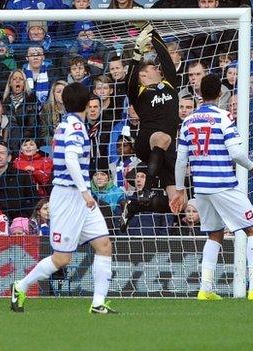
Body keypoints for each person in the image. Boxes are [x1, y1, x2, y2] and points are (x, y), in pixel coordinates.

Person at [171, 74, 253, 301]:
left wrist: (180, 189)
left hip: (200, 187)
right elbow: (237, 153)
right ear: (220, 94)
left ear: (200, 93)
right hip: (223, 184)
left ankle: (206, 289)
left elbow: (181, 160)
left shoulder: (188, 121)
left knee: (215, 234)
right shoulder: (224, 117)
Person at [11, 82, 116, 314]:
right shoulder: (76, 127)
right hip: (70, 196)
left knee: (104, 245)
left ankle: (98, 303)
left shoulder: (66, 124)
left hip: (76, 196)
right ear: (87, 103)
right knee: (62, 258)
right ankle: (20, 286)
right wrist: (85, 192)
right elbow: (70, 159)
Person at [126, 24, 181, 203]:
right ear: (143, 75)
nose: (158, 68)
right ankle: (146, 190)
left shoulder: (169, 84)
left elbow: (165, 57)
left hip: (167, 149)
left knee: (180, 203)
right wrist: (136, 55)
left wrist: (151, 31)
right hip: (147, 142)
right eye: (153, 68)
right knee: (163, 138)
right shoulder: (139, 91)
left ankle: (135, 207)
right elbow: (128, 80)